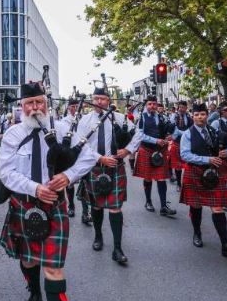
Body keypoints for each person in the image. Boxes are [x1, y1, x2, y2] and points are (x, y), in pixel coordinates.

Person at [0, 81, 99, 301]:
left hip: (54, 205)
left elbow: (88, 156)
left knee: (54, 268)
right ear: (21, 107)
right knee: (28, 260)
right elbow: (5, 173)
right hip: (24, 203)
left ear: (46, 104)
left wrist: (68, 177)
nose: (34, 107)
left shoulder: (64, 129)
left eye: (39, 102)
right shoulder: (13, 134)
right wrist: (34, 188)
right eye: (29, 103)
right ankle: (34, 294)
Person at [78, 85, 134, 264]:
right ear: (91, 100)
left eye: (102, 99)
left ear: (108, 101)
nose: (99, 102)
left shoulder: (118, 118)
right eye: (96, 99)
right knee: (96, 206)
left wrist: (127, 150)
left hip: (115, 167)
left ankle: (117, 248)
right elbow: (81, 145)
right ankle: (98, 236)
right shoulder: (85, 120)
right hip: (95, 166)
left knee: (116, 206)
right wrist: (99, 158)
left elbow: (137, 134)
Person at [179, 104, 227, 256]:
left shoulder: (215, 131)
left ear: (207, 115)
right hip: (194, 171)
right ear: (192, 116)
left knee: (218, 207)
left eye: (202, 114)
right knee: (196, 205)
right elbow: (185, 155)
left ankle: (225, 243)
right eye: (197, 114)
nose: (200, 117)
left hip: (213, 174)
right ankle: (197, 233)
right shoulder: (187, 134)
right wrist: (208, 159)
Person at [134, 95, 175, 216]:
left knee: (161, 178)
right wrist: (155, 140)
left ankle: (163, 206)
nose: (152, 106)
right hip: (147, 149)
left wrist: (170, 136)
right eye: (150, 104)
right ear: (146, 105)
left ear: (157, 105)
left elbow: (170, 130)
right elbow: (139, 135)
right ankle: (148, 202)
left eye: (154, 104)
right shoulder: (142, 118)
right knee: (148, 177)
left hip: (160, 151)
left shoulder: (162, 117)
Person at [59, 96, 91, 223]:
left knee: (85, 182)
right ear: (68, 107)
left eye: (77, 106)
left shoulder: (84, 120)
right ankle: (71, 205)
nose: (75, 109)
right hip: (71, 153)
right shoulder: (64, 122)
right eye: (72, 107)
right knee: (70, 182)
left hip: (83, 153)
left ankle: (85, 212)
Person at [169, 101, 193, 191]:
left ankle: (187, 183)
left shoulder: (189, 117)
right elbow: (172, 128)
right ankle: (179, 184)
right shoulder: (174, 117)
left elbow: (191, 129)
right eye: (180, 107)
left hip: (187, 144)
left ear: (186, 108)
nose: (181, 109)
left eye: (183, 107)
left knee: (188, 165)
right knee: (178, 166)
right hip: (177, 142)